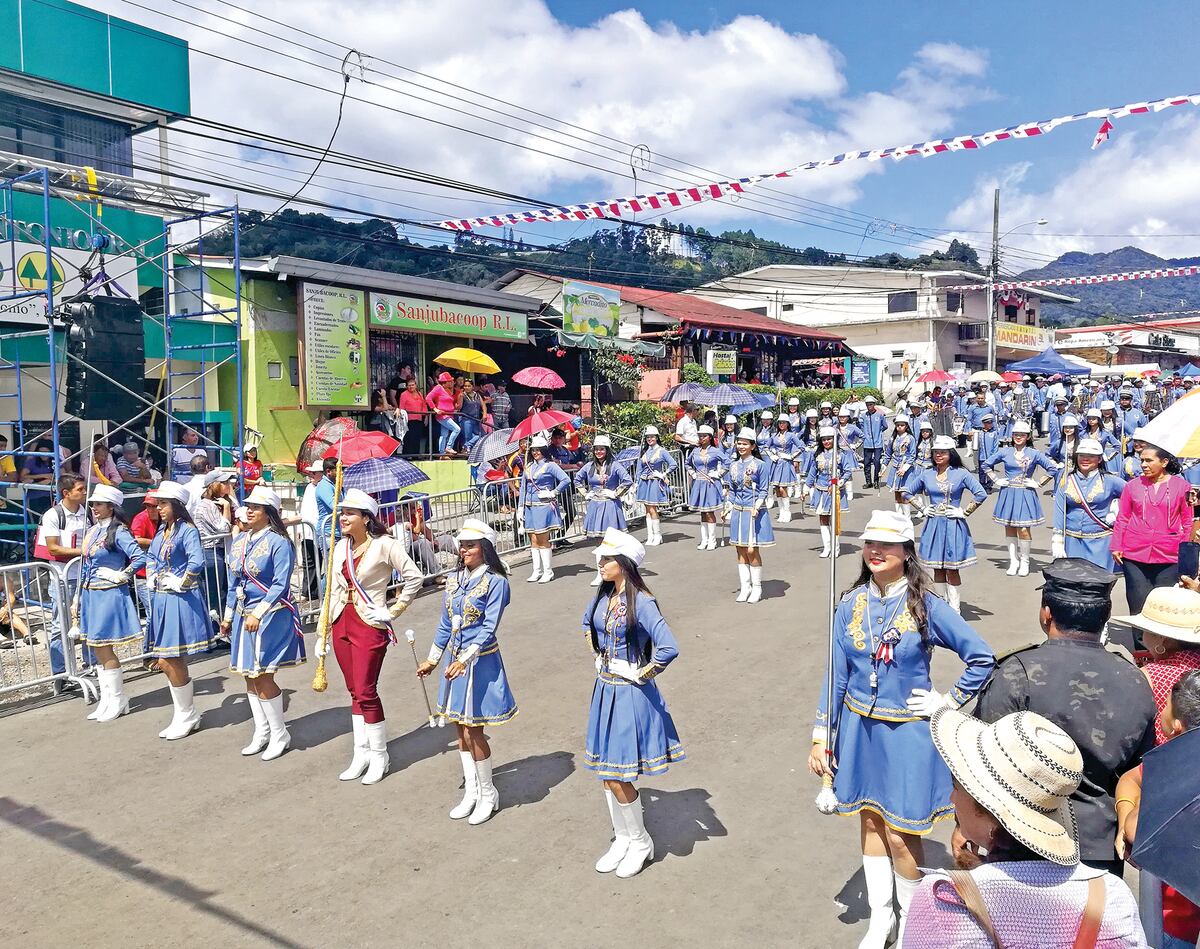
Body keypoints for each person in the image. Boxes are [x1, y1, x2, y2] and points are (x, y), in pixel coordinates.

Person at [809, 511, 994, 949]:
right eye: (870, 543)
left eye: (887, 544)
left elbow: (981, 657)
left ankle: (914, 921)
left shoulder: (926, 604)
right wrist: (821, 735)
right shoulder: (850, 604)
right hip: (859, 729)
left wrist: (947, 700)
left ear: (907, 552)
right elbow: (836, 674)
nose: (875, 551)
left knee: (900, 831)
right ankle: (882, 919)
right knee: (870, 822)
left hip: (909, 734)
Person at [902, 708, 1147, 948]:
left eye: (956, 785)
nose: (952, 798)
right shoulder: (1112, 899)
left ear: (984, 805)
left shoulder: (945, 901)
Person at [975, 558, 1157, 877]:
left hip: (1025, 840)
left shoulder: (1018, 672)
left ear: (1047, 613)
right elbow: (1142, 770)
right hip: (1100, 848)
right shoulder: (1135, 679)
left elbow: (983, 760)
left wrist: (966, 824)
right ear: (1104, 617)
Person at [583, 528, 685, 878]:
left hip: (630, 693)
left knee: (619, 774)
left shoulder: (642, 601)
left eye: (607, 559)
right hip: (605, 689)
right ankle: (623, 838)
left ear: (624, 563)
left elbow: (669, 647)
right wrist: (599, 656)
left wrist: (641, 672)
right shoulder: (603, 594)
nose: (600, 563)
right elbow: (587, 625)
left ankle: (640, 842)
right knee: (606, 773)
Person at [319, 489, 423, 785]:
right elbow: (332, 591)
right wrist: (322, 632)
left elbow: (414, 576)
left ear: (366, 518)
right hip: (341, 621)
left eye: (349, 513)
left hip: (369, 622)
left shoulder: (385, 545)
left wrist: (394, 609)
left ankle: (380, 755)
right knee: (354, 691)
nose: (342, 518)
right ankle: (360, 753)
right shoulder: (340, 546)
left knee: (366, 691)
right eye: (342, 513)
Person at [416, 519, 517, 825]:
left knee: (474, 729)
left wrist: (465, 659)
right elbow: (446, 622)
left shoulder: (497, 582)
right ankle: (471, 791)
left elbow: (489, 627)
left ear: (485, 548)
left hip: (480, 661)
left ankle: (488, 793)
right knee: (459, 727)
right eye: (462, 545)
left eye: (470, 545)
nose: (464, 550)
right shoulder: (454, 579)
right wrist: (433, 659)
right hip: (455, 662)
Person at [1115, 669, 1200, 949]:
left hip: (1173, 924)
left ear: (1176, 725)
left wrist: (1132, 814)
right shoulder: (1173, 762)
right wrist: (1125, 808)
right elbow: (1131, 780)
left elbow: (1136, 830)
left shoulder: (1174, 768)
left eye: (1165, 705)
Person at [221, 486, 306, 761]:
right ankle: (262, 731)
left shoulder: (279, 542)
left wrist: (258, 613)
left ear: (269, 513)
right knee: (248, 674)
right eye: (248, 506)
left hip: (269, 614)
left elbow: (281, 584)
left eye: (256, 507)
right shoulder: (240, 540)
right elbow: (234, 581)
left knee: (262, 674)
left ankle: (280, 733)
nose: (249, 511)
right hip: (243, 614)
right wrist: (228, 615)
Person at [146, 482, 212, 739]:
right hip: (163, 598)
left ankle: (187, 713)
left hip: (180, 598)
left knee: (169, 658)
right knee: (168, 658)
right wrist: (152, 575)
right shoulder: (162, 530)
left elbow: (197, 561)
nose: (159, 508)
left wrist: (182, 581)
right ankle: (184, 713)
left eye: (163, 504)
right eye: (158, 504)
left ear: (176, 505)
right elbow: (152, 557)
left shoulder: (187, 530)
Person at [77, 485, 147, 723]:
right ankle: (107, 699)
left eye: (98, 504)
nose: (94, 508)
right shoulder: (94, 530)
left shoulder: (119, 531)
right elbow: (86, 564)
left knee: (104, 646)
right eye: (92, 504)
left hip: (108, 593)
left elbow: (139, 557)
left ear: (111, 507)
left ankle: (117, 698)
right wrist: (78, 597)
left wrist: (122, 575)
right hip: (91, 593)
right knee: (97, 648)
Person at [901, 437, 987, 615]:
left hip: (953, 525)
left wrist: (964, 512)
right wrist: (923, 508)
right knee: (937, 568)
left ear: (951, 454)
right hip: (933, 524)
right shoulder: (927, 473)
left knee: (952, 568)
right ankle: (941, 606)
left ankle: (955, 609)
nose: (938, 455)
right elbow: (906, 492)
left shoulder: (961, 473)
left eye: (943, 452)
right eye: (935, 452)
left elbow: (981, 493)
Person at [1111, 444, 1195, 614]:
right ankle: (1138, 632)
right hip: (1134, 553)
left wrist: (1186, 553)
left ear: (1164, 462)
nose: (1143, 464)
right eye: (1141, 460)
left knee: (1162, 605)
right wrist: (1116, 545)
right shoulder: (1132, 486)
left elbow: (1188, 522)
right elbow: (1123, 518)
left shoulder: (1183, 487)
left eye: (1149, 460)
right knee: (1137, 602)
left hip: (1169, 555)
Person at [982, 421, 1060, 577]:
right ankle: (1013, 560)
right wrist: (996, 480)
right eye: (1016, 435)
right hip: (1008, 492)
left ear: (1028, 436)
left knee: (1024, 529)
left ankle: (1025, 561)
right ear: (1012, 436)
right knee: (1009, 527)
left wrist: (1038, 483)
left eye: (1022, 435)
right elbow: (986, 464)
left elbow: (1052, 468)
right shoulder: (1005, 452)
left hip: (1025, 492)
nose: (1018, 437)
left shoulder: (1034, 453)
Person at [34, 474, 89, 679]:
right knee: (60, 626)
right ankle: (61, 673)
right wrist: (84, 551)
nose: (84, 492)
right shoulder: (53, 515)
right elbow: (53, 548)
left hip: (85, 575)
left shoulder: (88, 512)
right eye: (80, 489)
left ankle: (90, 665)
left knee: (88, 622)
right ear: (66, 493)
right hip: (63, 578)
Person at [1050, 439, 1126, 572]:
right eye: (1081, 455)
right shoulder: (1067, 479)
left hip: (1101, 542)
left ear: (1099, 459)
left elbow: (1134, 496)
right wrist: (1057, 537)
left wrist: (1117, 512)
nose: (1085, 459)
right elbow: (1060, 508)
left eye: (1091, 456)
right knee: (1072, 579)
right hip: (1072, 541)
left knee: (1098, 580)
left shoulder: (1110, 481)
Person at [722, 427, 774, 603]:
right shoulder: (733, 465)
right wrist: (728, 507)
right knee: (740, 549)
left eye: (745, 444)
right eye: (739, 443)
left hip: (754, 511)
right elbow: (732, 490)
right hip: (738, 510)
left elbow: (764, 489)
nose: (741, 447)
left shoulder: (761, 465)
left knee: (752, 549)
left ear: (752, 446)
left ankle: (757, 587)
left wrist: (757, 506)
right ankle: (745, 587)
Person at [575, 436, 633, 584]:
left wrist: (615, 493)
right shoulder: (589, 466)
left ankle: (618, 570)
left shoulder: (615, 465)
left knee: (612, 540)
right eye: (596, 449)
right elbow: (577, 480)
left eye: (602, 449)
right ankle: (600, 573)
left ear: (607, 450)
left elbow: (628, 481)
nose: (599, 452)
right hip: (595, 505)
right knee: (599, 541)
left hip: (610, 505)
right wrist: (585, 493)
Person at [518, 434, 570, 583]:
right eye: (533, 450)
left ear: (544, 450)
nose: (535, 452)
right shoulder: (529, 466)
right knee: (533, 539)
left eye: (538, 450)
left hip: (543, 506)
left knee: (542, 539)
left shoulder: (550, 465)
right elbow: (523, 488)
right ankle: (537, 570)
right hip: (529, 506)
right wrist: (520, 507)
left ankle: (548, 571)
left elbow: (565, 479)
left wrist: (553, 492)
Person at [194, 470, 235, 638]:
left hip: (218, 551)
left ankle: (220, 631)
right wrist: (226, 508)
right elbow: (223, 528)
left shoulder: (220, 502)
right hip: (210, 551)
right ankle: (214, 632)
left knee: (221, 592)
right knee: (215, 594)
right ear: (214, 485)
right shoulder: (206, 505)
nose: (228, 486)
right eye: (224, 483)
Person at [807, 426, 855, 559]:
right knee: (823, 519)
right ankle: (827, 547)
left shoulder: (841, 454)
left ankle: (835, 547)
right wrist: (806, 487)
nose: (826, 442)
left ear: (834, 439)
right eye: (824, 440)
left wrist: (838, 483)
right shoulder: (817, 454)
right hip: (820, 490)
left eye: (829, 439)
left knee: (834, 520)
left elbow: (847, 471)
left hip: (835, 491)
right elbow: (813, 472)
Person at [634, 425, 676, 548]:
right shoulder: (644, 451)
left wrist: (663, 474)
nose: (650, 439)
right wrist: (636, 482)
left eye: (652, 437)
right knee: (647, 509)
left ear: (657, 437)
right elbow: (639, 468)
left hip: (654, 482)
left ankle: (657, 535)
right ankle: (650, 535)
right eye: (648, 437)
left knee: (652, 508)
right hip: (644, 482)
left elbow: (673, 464)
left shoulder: (662, 451)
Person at [685, 426, 726, 550]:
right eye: (700, 436)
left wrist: (719, 473)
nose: (701, 438)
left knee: (709, 512)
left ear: (710, 437)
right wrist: (692, 473)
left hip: (710, 484)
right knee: (702, 513)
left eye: (704, 436)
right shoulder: (695, 451)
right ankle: (704, 539)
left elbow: (728, 462)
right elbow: (687, 463)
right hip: (698, 483)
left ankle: (712, 540)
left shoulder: (715, 451)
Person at [765, 415, 801, 522]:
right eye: (780, 422)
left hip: (786, 463)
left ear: (787, 424)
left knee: (782, 488)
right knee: (776, 488)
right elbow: (766, 447)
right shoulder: (774, 435)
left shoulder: (791, 435)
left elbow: (801, 447)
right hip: (776, 463)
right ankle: (781, 511)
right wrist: (771, 455)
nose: (781, 424)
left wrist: (791, 456)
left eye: (784, 422)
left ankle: (787, 511)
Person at [882, 416, 916, 516]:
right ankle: (899, 516)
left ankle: (907, 518)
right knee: (896, 493)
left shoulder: (910, 438)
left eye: (902, 425)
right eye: (897, 425)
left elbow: (913, 455)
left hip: (906, 469)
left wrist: (904, 468)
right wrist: (883, 467)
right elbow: (888, 453)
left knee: (904, 493)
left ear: (906, 426)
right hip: (895, 467)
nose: (899, 427)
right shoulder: (893, 438)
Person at [426, 371, 461, 456]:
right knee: (457, 429)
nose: (452, 383)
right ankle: (449, 447)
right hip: (443, 415)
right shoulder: (438, 387)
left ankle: (442, 454)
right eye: (450, 381)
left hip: (449, 414)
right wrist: (435, 409)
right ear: (445, 382)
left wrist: (453, 409)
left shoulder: (447, 390)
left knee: (444, 435)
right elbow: (428, 398)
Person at [859, 396, 889, 490]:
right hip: (867, 443)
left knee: (877, 462)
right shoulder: (863, 415)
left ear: (874, 405)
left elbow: (885, 426)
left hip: (877, 443)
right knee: (866, 463)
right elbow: (861, 426)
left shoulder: (880, 415)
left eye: (871, 404)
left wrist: (878, 431)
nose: (869, 406)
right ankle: (868, 482)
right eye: (867, 404)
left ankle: (876, 480)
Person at [397, 378, 429, 455]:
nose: (411, 387)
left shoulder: (419, 394)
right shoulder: (404, 394)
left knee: (417, 438)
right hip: (409, 420)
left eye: (412, 385)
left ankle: (416, 455)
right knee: (409, 438)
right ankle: (408, 455)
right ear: (407, 386)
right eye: (409, 385)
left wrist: (426, 416)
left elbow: (424, 406)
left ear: (416, 385)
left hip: (419, 419)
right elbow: (401, 407)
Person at [456, 378, 485, 451]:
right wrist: (458, 401)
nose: (467, 387)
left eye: (469, 386)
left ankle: (466, 446)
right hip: (466, 419)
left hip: (476, 419)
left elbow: (483, 405)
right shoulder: (462, 395)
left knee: (482, 434)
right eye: (465, 386)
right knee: (467, 437)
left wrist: (485, 414)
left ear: (472, 387)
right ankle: (467, 451)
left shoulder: (477, 395)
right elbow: (459, 407)